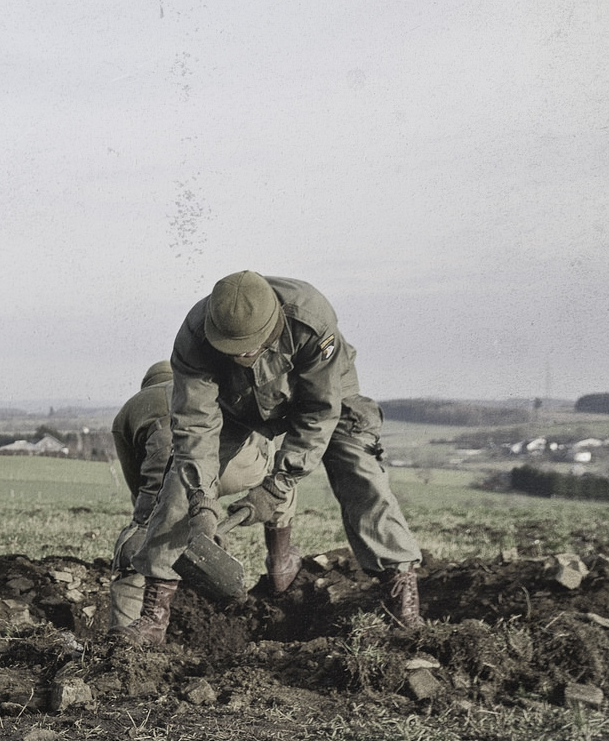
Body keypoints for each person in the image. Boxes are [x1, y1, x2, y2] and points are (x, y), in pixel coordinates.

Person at [115, 271, 423, 645]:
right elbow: (196, 426)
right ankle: (153, 617)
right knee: (180, 481)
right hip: (238, 405)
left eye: (249, 344)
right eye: (231, 346)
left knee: (360, 468)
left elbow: (317, 414)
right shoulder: (194, 338)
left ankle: (402, 600)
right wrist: (202, 501)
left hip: (321, 398)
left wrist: (279, 483)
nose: (242, 353)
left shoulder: (311, 319)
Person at [108, 360, 276, 573]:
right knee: (279, 483)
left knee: (148, 525)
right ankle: (280, 559)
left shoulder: (133, 407)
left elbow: (137, 484)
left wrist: (147, 518)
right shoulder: (204, 389)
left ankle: (135, 575)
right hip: (235, 468)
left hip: (173, 475)